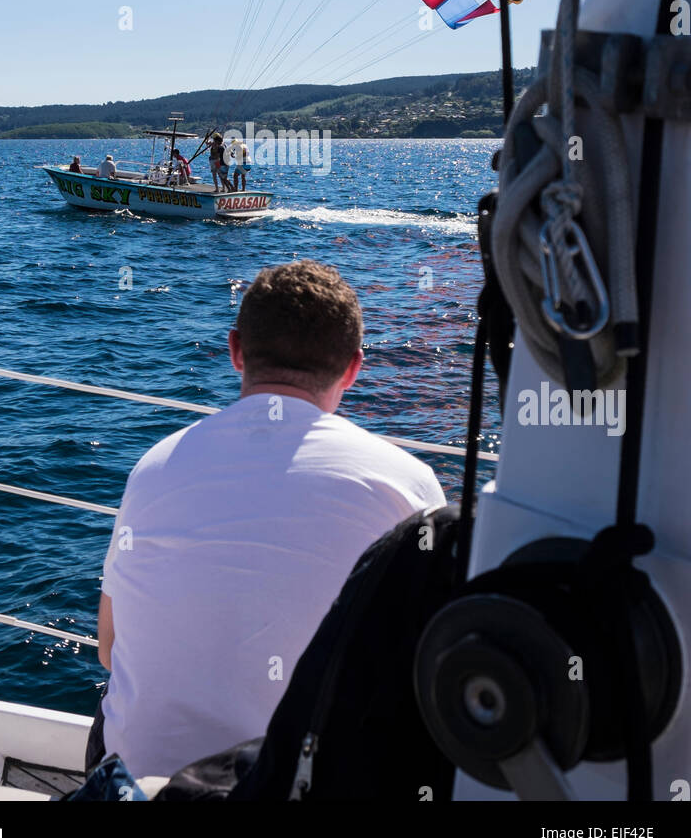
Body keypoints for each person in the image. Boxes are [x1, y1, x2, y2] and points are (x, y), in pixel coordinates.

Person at [90, 260, 445, 779]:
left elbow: (109, 649)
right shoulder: (408, 485)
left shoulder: (154, 466)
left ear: (236, 351)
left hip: (143, 786)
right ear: (353, 368)